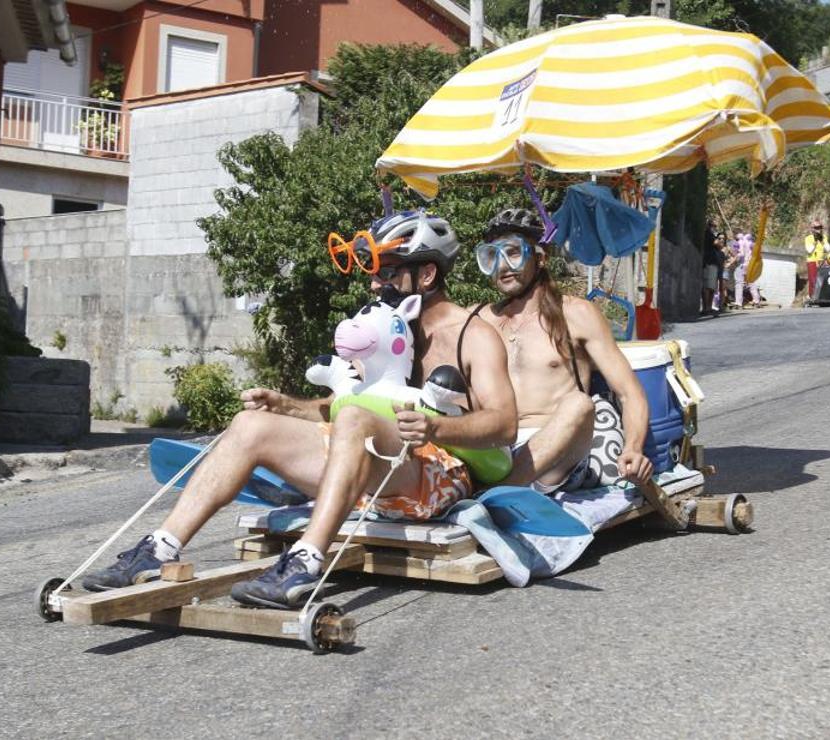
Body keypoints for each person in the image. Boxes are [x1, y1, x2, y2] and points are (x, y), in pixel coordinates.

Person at [81, 211, 519, 608]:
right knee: (251, 424)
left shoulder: (472, 334)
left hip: (437, 475)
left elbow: (504, 424)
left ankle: (304, 562)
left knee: (355, 421)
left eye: (386, 273)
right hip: (373, 465)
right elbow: (351, 405)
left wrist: (434, 428)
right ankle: (159, 548)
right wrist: (288, 406)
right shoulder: (385, 328)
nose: (373, 284)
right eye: (372, 273)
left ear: (426, 274)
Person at [473, 208, 654, 493]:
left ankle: (500, 493)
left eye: (513, 252)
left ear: (540, 258)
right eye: (491, 256)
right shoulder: (478, 320)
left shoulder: (577, 314)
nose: (502, 265)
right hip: (495, 451)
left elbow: (629, 393)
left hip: (557, 458)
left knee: (579, 404)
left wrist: (633, 447)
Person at [733, 232, 761, 308]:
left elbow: (741, 254)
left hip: (741, 265)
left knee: (739, 284)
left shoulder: (738, 243)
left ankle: (738, 303)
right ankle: (756, 301)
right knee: (751, 283)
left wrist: (734, 260)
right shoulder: (752, 244)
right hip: (750, 266)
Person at [701, 225, 723, 315]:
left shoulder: (709, 234)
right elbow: (718, 245)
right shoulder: (709, 234)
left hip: (710, 263)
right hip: (709, 263)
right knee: (708, 287)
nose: (715, 228)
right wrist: (718, 240)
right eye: (714, 226)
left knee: (711, 287)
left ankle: (708, 308)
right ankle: (707, 308)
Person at [804, 219, 827, 303]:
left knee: (823, 279)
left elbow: (828, 249)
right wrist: (815, 241)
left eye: (820, 227)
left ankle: (823, 296)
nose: (818, 229)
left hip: (822, 261)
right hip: (812, 261)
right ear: (812, 229)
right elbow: (809, 250)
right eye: (816, 227)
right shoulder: (808, 238)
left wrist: (822, 241)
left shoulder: (824, 237)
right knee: (813, 280)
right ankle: (812, 296)